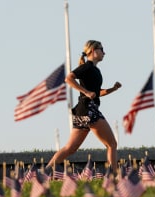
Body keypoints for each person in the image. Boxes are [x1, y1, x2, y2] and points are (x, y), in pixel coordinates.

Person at [46, 40, 122, 172]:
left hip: (83, 111)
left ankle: (45, 172)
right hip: (89, 110)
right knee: (112, 144)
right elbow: (68, 78)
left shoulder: (94, 70)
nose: (104, 52)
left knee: (71, 148)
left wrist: (112, 89)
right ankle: (114, 176)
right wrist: (86, 92)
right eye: (101, 49)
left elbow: (97, 93)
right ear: (93, 50)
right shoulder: (87, 67)